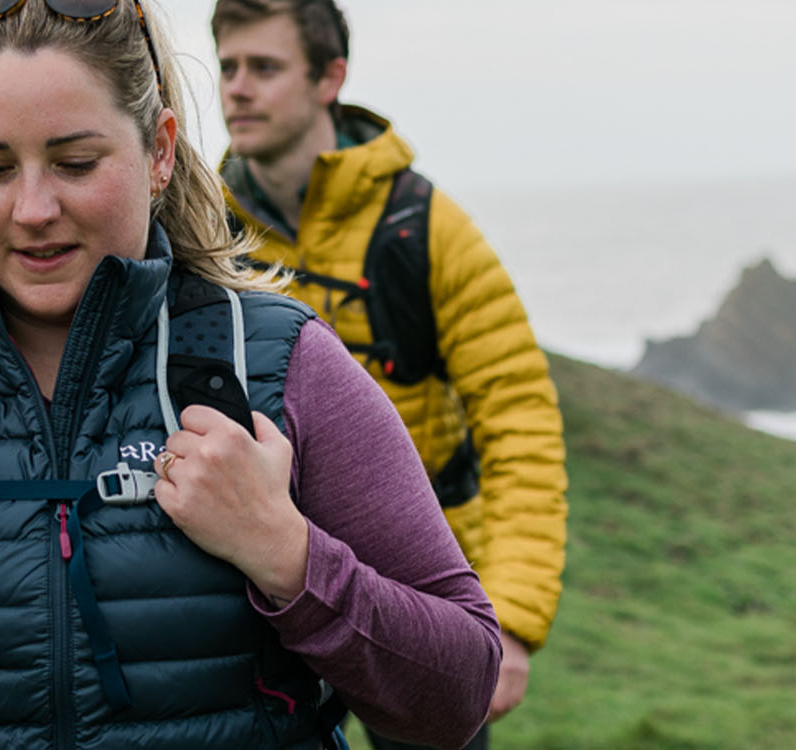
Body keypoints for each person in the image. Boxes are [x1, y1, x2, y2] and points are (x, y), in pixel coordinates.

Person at [0, 1, 505, 748]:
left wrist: (287, 554)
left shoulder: (278, 364)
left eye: (76, 162)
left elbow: (457, 691)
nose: (33, 209)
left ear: (158, 151)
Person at [209, 2, 571, 745]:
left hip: (419, 598)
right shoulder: (204, 229)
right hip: (258, 590)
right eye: (228, 67)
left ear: (330, 78)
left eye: (265, 68)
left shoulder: (427, 230)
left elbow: (520, 419)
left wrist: (514, 620)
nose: (238, 89)